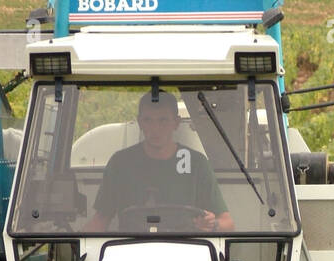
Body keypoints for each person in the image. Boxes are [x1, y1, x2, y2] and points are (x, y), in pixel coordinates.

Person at [85, 91, 235, 235]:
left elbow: (227, 224)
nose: (155, 129)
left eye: (163, 120)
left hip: (186, 251)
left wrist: (212, 224)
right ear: (139, 122)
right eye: (148, 120)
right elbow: (101, 219)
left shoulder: (197, 163)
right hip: (131, 251)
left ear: (176, 122)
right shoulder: (120, 163)